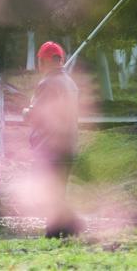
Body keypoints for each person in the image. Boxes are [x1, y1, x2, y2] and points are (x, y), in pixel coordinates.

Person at [22, 41, 81, 238]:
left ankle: (72, 224)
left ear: (44, 61)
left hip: (50, 149)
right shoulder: (70, 84)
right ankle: (55, 233)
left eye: (39, 61)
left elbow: (37, 116)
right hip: (68, 147)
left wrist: (26, 111)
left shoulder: (47, 84)